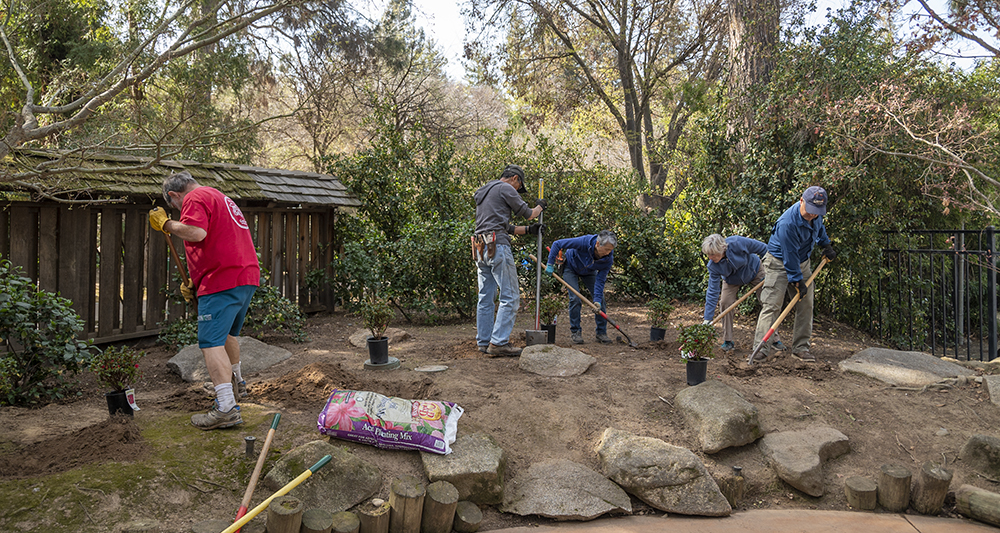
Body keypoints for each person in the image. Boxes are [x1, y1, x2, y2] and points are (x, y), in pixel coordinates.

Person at [149, 171, 260, 430]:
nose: (178, 211)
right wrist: (196, 283)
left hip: (221, 280)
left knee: (210, 343)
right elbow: (215, 240)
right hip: (244, 275)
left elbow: (197, 233)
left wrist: (166, 224)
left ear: (174, 195)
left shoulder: (195, 197)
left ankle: (226, 408)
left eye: (174, 206)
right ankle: (237, 383)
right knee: (225, 336)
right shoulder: (220, 196)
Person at [752, 186, 836, 363]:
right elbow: (789, 257)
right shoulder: (787, 224)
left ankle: (800, 348)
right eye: (811, 210)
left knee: (806, 305)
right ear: (801, 201)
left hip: (803, 263)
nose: (813, 215)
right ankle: (761, 348)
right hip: (778, 263)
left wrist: (826, 245)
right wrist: (797, 282)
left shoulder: (816, 215)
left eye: (817, 212)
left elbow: (819, 230)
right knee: (772, 305)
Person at [473, 164, 545, 356]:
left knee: (485, 297)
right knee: (510, 296)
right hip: (497, 247)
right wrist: (540, 206)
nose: (516, 191)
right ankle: (498, 343)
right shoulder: (505, 187)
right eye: (518, 187)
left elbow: (506, 227)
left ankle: (484, 341)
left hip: (481, 248)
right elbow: (529, 214)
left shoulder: (486, 191)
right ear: (515, 178)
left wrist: (530, 231)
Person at [701, 234, 785, 352]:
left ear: (722, 249)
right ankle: (728, 340)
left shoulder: (738, 243)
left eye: (712, 254)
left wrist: (768, 271)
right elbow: (712, 291)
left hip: (755, 271)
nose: (710, 257)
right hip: (731, 280)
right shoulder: (713, 265)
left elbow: (764, 249)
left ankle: (774, 339)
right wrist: (707, 318)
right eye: (708, 254)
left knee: (767, 301)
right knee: (725, 302)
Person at [545, 230, 617, 344]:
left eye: (610, 250)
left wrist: (596, 300)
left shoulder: (607, 259)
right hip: (570, 267)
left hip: (589, 271)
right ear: (598, 244)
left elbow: (600, 281)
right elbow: (557, 244)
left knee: (600, 300)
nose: (608, 253)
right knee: (575, 298)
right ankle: (576, 332)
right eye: (606, 249)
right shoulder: (584, 242)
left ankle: (601, 332)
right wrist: (550, 264)